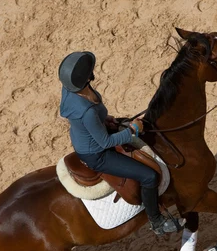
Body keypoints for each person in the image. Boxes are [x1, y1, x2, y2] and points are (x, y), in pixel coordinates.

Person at [58, 51, 181, 235]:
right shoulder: (87, 112)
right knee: (149, 177)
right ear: (86, 77)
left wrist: (105, 119)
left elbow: (95, 117)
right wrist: (133, 130)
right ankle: (156, 222)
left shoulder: (71, 90)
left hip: (94, 132)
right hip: (98, 154)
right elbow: (105, 142)